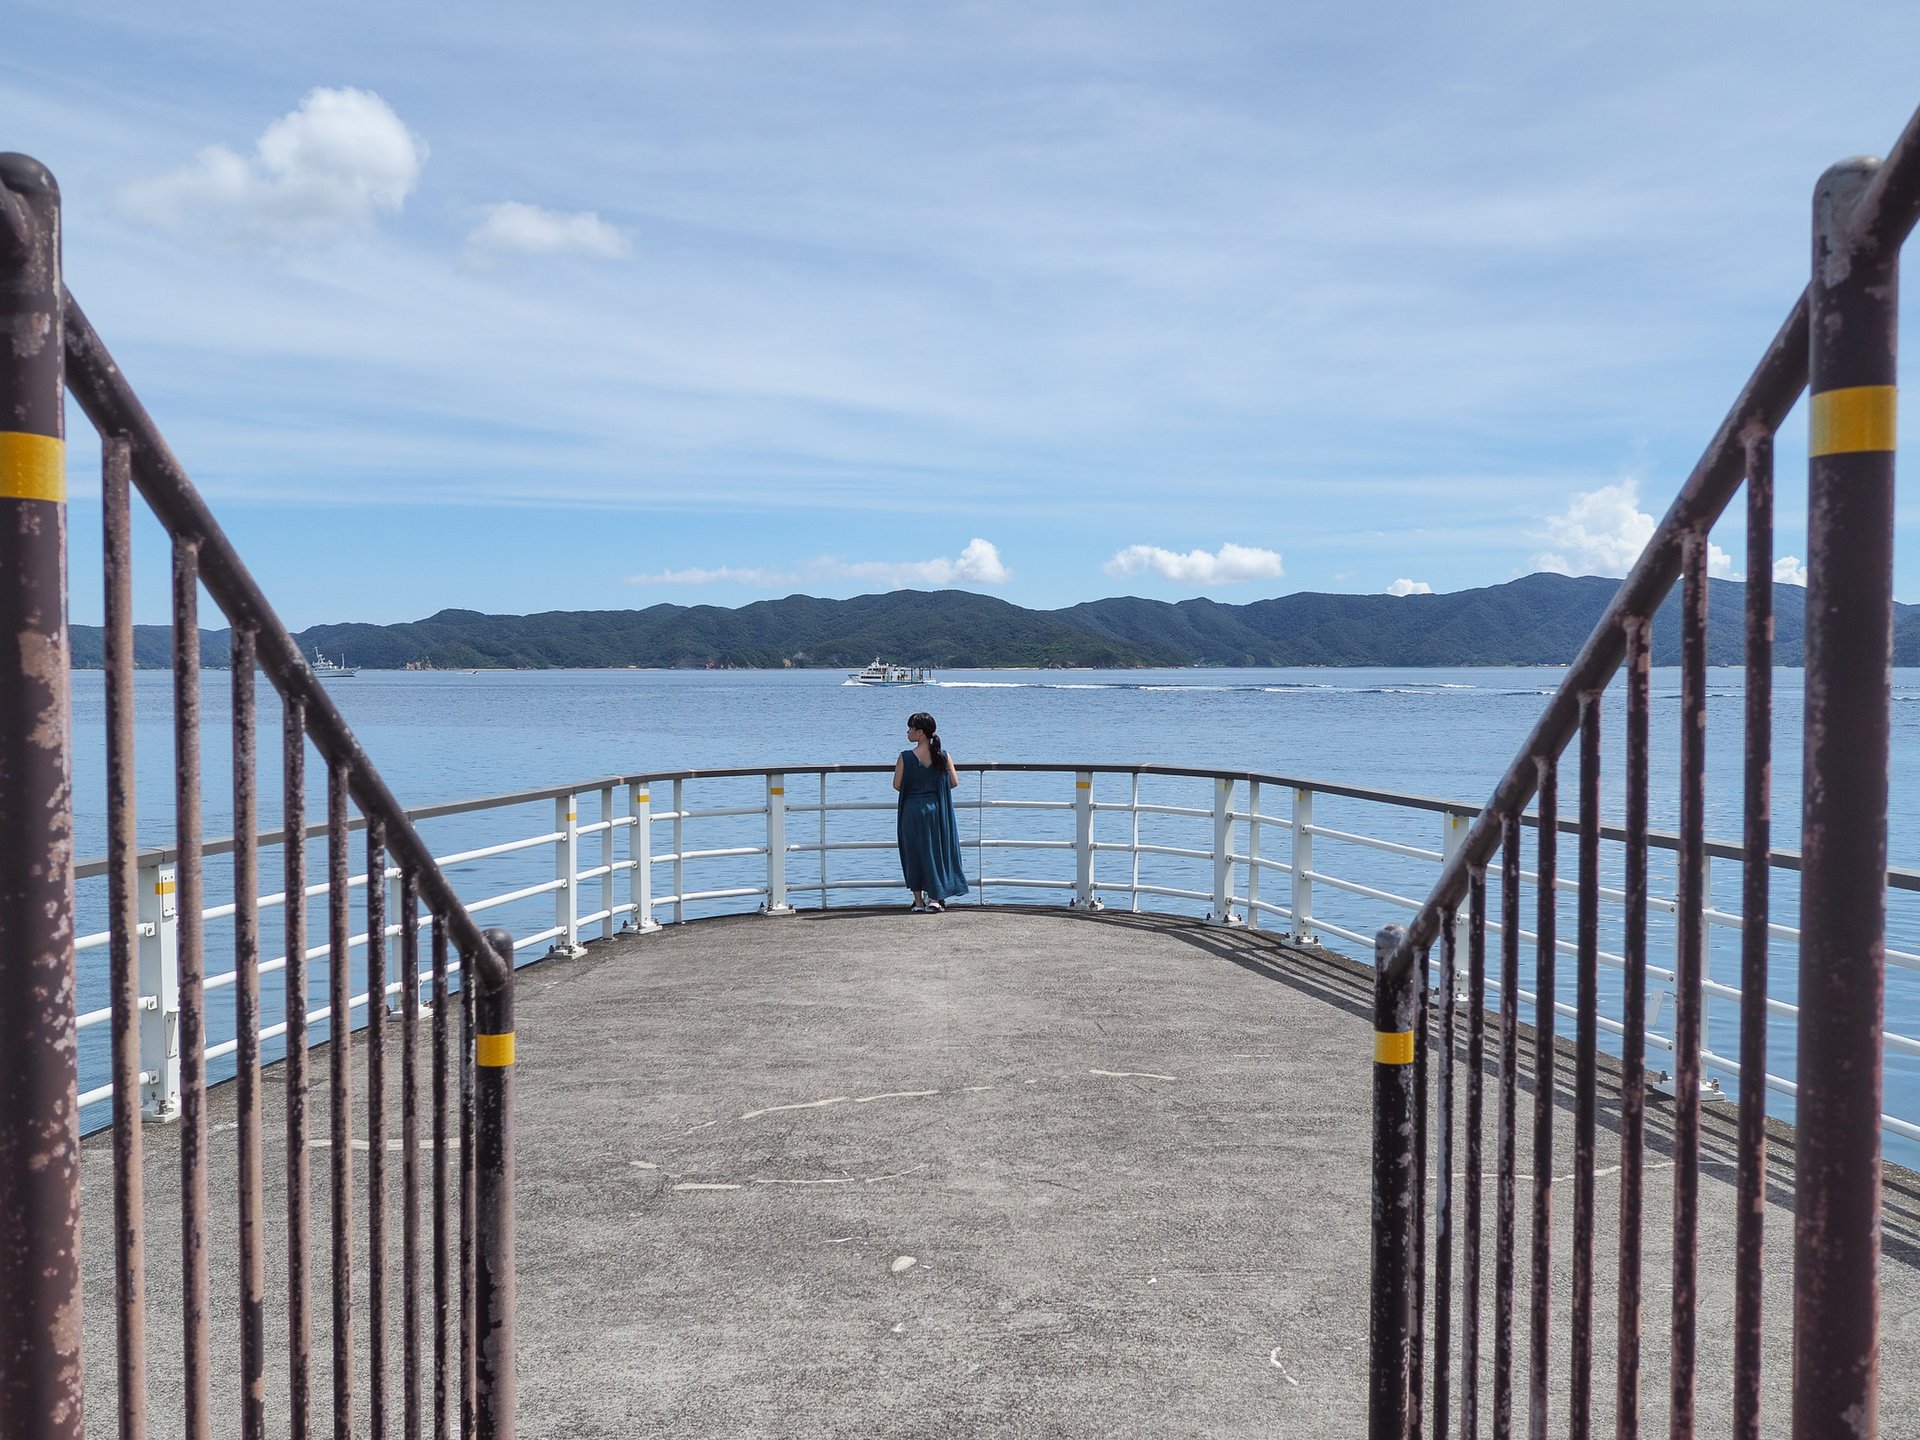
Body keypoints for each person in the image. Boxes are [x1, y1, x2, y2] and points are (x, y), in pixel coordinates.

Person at [893, 710, 969, 913]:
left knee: (914, 853)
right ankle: (935, 898)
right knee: (936, 852)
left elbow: (897, 785)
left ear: (920, 733)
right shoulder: (942, 756)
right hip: (935, 810)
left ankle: (918, 902)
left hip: (912, 810)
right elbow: (953, 782)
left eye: (910, 728)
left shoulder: (905, 757)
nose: (908, 732)